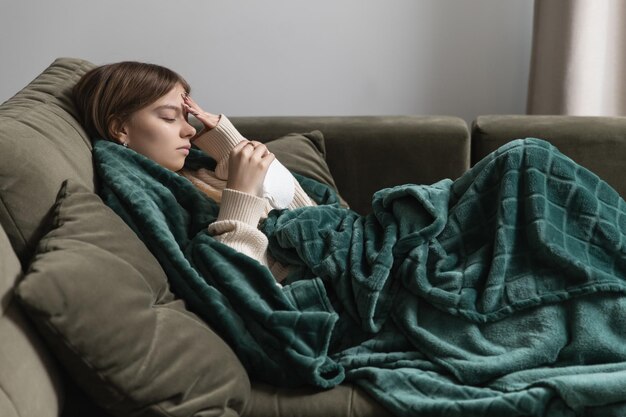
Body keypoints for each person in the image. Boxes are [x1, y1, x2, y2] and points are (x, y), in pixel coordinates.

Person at [72, 61, 316, 283]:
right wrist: (242, 196)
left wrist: (230, 143)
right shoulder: (146, 199)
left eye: (187, 116)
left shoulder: (195, 173)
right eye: (169, 118)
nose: (190, 129)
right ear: (119, 128)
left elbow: (310, 217)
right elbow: (240, 285)